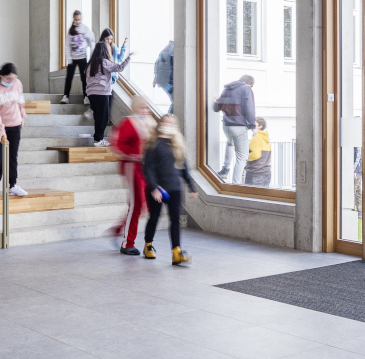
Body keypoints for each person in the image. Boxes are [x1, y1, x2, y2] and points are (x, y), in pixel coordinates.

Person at [141, 113, 199, 265]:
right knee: (154, 218)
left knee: (175, 220)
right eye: (165, 121)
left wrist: (191, 186)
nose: (168, 124)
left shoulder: (178, 145)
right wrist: (153, 187)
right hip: (158, 189)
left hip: (174, 188)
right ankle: (148, 246)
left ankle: (176, 252)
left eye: (171, 122)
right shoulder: (153, 144)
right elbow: (148, 168)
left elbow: (184, 168)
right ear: (160, 124)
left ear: (175, 126)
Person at [108, 104, 157, 255]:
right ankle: (127, 243)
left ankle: (118, 229)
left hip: (145, 168)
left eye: (147, 108)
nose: (145, 111)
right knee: (136, 205)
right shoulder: (128, 122)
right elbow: (115, 143)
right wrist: (133, 155)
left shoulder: (150, 124)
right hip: (132, 166)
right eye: (142, 107)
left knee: (143, 205)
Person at [0, 62, 27, 199]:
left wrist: (22, 117)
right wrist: (0, 128)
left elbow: (20, 102)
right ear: (2, 76)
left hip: (15, 124)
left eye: (13, 78)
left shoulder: (17, 84)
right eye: (8, 78)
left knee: (12, 156)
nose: (11, 81)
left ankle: (12, 185)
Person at [84, 30, 129, 144]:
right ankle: (99, 139)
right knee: (103, 117)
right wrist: (129, 58)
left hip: (91, 94)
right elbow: (119, 68)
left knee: (98, 116)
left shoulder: (90, 64)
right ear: (104, 51)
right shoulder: (104, 62)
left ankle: (97, 138)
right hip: (102, 93)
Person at [213, 73, 256, 183]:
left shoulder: (227, 89)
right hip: (239, 126)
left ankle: (225, 169)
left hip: (226, 126)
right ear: (249, 84)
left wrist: (215, 101)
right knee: (242, 157)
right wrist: (252, 125)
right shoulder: (246, 89)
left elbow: (216, 108)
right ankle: (236, 184)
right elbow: (249, 107)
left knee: (230, 143)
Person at [62, 11, 91, 102]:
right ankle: (66, 96)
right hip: (72, 58)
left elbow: (90, 41)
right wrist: (69, 58)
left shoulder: (85, 29)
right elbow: (67, 45)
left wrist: (92, 54)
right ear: (73, 19)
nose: (77, 21)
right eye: (76, 20)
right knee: (69, 77)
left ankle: (86, 97)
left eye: (79, 20)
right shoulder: (71, 31)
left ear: (81, 19)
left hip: (82, 57)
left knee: (84, 78)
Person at [244, 118, 274, 187]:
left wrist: (246, 158)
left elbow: (255, 155)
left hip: (255, 173)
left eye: (254, 123)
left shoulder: (256, 138)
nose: (251, 124)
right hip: (266, 173)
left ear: (260, 126)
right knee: (263, 196)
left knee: (250, 196)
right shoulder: (265, 139)